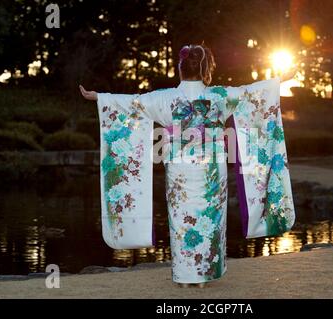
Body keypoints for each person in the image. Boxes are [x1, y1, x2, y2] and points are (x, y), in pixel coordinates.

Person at [80, 44, 296, 288]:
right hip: (212, 170)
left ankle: (184, 277)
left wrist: (100, 97)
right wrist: (279, 81)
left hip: (180, 170)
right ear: (204, 69)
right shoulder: (219, 95)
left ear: (180, 70)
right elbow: (250, 94)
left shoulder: (165, 97)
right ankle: (205, 275)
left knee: (181, 220)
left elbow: (133, 104)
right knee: (210, 220)